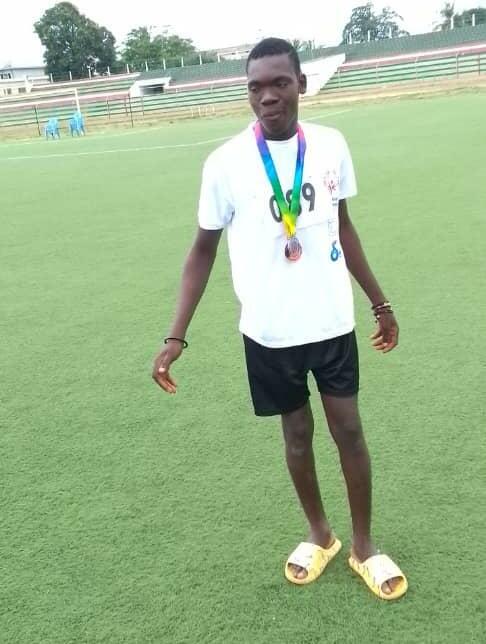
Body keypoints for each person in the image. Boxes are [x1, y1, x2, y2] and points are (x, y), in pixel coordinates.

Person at [152, 38, 408, 600]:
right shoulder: (224, 164)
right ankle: (320, 534)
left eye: (279, 83)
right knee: (296, 435)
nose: (267, 96)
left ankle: (364, 545)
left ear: (301, 85)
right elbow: (201, 251)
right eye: (256, 87)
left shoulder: (331, 145)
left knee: (349, 431)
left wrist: (380, 302)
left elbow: (344, 226)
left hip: (331, 323)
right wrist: (176, 335)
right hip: (268, 332)